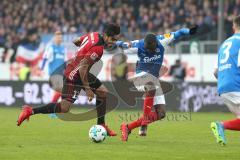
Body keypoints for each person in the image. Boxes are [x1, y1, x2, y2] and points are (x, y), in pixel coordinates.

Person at [17, 23, 121, 136]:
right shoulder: (98, 49)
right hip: (74, 75)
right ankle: (30, 111)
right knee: (64, 107)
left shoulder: (94, 35)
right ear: (106, 35)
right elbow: (82, 69)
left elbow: (76, 41)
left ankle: (101, 125)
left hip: (77, 69)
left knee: (102, 92)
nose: (113, 42)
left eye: (115, 40)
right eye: (112, 39)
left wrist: (82, 50)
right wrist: (88, 89)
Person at [117, 26, 198, 141]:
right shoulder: (138, 45)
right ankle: (144, 121)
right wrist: (116, 42)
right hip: (140, 77)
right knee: (150, 84)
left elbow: (178, 33)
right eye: (147, 49)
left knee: (161, 113)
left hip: (153, 81)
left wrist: (189, 31)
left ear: (156, 44)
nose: (149, 51)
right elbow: (123, 45)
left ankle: (128, 127)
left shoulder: (162, 40)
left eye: (151, 49)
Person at [211, 15, 240, 146]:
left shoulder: (224, 44)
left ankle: (221, 126)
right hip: (236, 86)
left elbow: (216, 72)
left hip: (223, 87)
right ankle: (221, 125)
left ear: (234, 26)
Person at [41, 31, 67, 118]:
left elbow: (64, 62)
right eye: (58, 37)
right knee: (60, 91)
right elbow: (45, 58)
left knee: (60, 92)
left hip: (61, 73)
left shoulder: (63, 49)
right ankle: (53, 111)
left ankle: (54, 110)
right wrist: (41, 68)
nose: (60, 38)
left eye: (61, 37)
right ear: (55, 38)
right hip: (53, 73)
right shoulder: (51, 47)